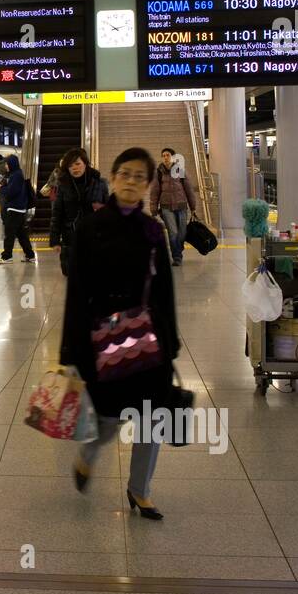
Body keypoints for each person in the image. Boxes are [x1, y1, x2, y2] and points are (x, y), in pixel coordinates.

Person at [60, 147, 182, 521]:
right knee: (110, 420)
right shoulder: (90, 228)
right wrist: (72, 352)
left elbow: (164, 290)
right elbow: (77, 290)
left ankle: (140, 491)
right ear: (112, 178)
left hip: (149, 339)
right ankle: (89, 454)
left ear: (147, 185)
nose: (131, 182)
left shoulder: (151, 230)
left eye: (139, 177)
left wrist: (171, 340)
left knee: (152, 418)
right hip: (103, 339)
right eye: (124, 174)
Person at [48, 147, 109, 276]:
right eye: (70, 165)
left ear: (85, 164)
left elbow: (108, 211)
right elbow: (57, 213)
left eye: (77, 164)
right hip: (71, 237)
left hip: (94, 237)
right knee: (71, 274)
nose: (75, 168)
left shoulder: (99, 183)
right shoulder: (63, 185)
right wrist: (54, 239)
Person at [149, 147, 199, 267]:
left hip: (181, 205)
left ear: (172, 157)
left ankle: (178, 247)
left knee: (182, 233)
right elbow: (155, 191)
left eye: (168, 155)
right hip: (166, 207)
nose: (166, 157)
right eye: (164, 155)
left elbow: (188, 189)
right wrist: (154, 208)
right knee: (173, 233)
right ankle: (177, 257)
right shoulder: (159, 172)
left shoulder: (180, 170)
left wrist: (193, 206)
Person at [0, 154, 36, 264]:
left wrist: (1, 189)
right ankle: (30, 255)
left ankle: (7, 256)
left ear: (12, 164)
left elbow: (11, 193)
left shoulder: (16, 175)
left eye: (7, 164)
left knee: (9, 234)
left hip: (14, 209)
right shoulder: (16, 174)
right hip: (19, 209)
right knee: (21, 235)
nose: (6, 166)